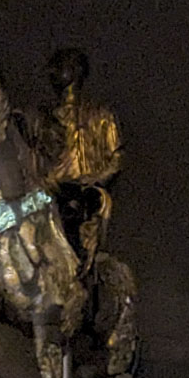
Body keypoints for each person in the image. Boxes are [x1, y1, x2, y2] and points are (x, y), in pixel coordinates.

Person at [27, 48, 122, 270]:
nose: (53, 72)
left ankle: (80, 263)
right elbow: (32, 154)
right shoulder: (43, 118)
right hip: (48, 191)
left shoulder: (100, 115)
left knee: (75, 223)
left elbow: (116, 157)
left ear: (76, 71)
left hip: (83, 192)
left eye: (61, 66)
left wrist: (95, 178)